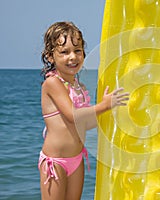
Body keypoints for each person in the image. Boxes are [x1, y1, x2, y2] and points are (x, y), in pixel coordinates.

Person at [38, 21, 129, 200]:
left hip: (76, 159)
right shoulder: (52, 83)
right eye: (64, 52)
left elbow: (85, 124)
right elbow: (72, 116)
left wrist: (113, 110)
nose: (72, 57)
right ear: (50, 56)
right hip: (55, 162)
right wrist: (104, 105)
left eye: (77, 50)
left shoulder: (80, 87)